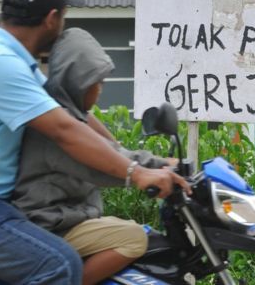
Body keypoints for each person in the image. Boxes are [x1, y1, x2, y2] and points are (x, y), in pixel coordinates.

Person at [0, 0, 190, 285]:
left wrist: (148, 160)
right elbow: (65, 130)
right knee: (60, 265)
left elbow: (75, 116)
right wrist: (137, 173)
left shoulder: (10, 59)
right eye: (64, 15)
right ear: (51, 18)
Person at [13, 27, 178, 285]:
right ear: (77, 81)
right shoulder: (58, 127)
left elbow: (113, 149)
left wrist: (162, 163)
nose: (99, 91)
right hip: (49, 225)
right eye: (96, 83)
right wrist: (149, 170)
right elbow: (104, 163)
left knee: (139, 231)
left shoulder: (70, 114)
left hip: (68, 217)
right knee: (134, 237)